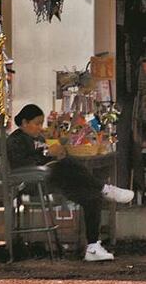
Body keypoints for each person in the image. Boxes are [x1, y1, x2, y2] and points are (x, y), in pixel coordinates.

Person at [7, 104, 135, 261]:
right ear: (25, 122)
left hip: (54, 181)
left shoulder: (39, 138)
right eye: (36, 123)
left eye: (41, 123)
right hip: (32, 183)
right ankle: (105, 188)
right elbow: (22, 164)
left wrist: (54, 152)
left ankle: (93, 246)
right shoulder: (15, 140)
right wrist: (48, 154)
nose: (40, 128)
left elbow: (46, 157)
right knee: (68, 163)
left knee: (92, 197)